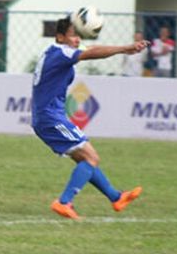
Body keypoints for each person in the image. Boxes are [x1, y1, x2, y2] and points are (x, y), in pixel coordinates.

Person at [31, 16, 146, 220]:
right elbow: (92, 53)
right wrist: (124, 48)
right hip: (50, 118)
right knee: (92, 157)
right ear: (59, 37)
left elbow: (91, 49)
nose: (77, 39)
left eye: (78, 35)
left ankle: (116, 197)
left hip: (48, 117)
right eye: (73, 35)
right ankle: (64, 202)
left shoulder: (55, 51)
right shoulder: (61, 53)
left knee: (85, 159)